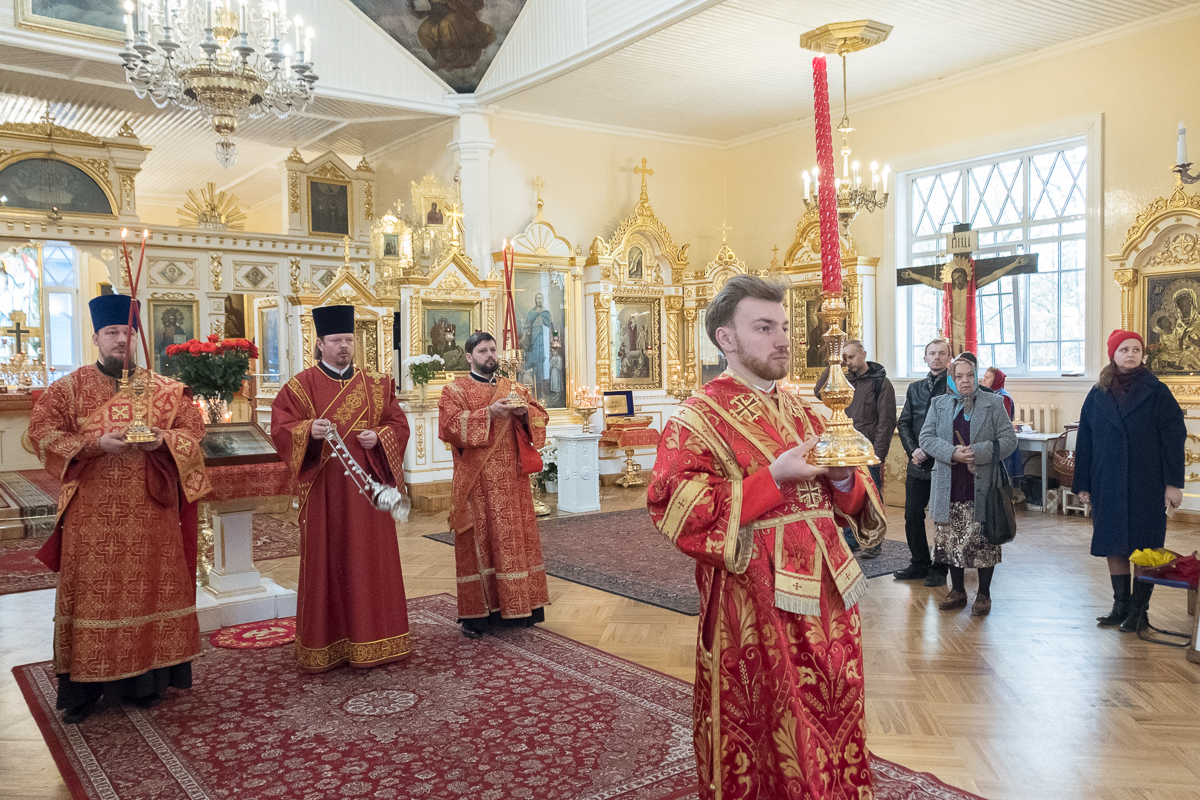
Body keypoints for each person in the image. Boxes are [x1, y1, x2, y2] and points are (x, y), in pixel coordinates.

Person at [648, 275, 887, 800]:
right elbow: (675, 504)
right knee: (775, 722)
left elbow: (847, 499)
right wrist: (772, 479)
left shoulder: (806, 407)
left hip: (830, 597)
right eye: (763, 327)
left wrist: (843, 477)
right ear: (724, 339)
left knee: (836, 704)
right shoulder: (697, 417)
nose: (783, 339)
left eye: (783, 326)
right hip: (755, 606)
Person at [29, 294, 211, 724]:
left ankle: (146, 684)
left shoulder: (163, 389)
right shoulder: (69, 388)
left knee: (150, 592)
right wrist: (93, 445)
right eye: (111, 333)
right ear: (95, 338)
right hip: (92, 515)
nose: (120, 340)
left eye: (128, 333)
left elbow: (193, 429)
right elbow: (40, 433)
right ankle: (84, 692)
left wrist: (162, 441)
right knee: (94, 597)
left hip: (152, 511)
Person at [270, 305, 411, 672]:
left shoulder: (378, 385)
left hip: (369, 492)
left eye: (348, 340)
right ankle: (327, 644)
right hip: (325, 492)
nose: (344, 346)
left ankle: (378, 638)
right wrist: (307, 432)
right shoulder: (300, 386)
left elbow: (398, 425)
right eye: (336, 340)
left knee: (371, 561)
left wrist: (379, 437)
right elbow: (281, 430)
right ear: (319, 344)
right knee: (327, 561)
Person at [438, 331, 550, 638]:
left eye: (492, 349)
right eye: (483, 350)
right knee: (480, 545)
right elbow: (449, 427)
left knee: (515, 544)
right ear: (469, 356)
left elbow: (541, 418)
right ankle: (479, 617)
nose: (490, 355)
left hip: (513, 482)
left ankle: (519, 611)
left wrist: (525, 412)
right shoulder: (455, 390)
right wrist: (489, 413)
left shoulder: (513, 387)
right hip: (478, 483)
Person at [1073, 330, 1186, 633]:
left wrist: (1173, 483)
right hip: (1106, 480)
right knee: (1114, 543)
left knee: (1144, 545)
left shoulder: (1157, 391)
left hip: (1146, 482)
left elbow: (1174, 439)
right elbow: (1085, 440)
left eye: (1136, 349)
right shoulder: (1097, 393)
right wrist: (1082, 483)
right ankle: (1120, 604)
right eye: (1124, 349)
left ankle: (1140, 610)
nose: (1131, 354)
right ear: (1113, 354)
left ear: (1142, 356)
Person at [919, 357, 1018, 617]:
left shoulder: (993, 403)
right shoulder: (939, 404)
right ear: (952, 379)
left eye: (970, 376)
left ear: (976, 377)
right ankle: (958, 590)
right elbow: (926, 438)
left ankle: (983, 594)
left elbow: (1009, 440)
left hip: (982, 485)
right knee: (952, 540)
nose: (965, 381)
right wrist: (953, 452)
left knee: (983, 541)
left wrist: (979, 452)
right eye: (959, 376)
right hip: (949, 484)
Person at [814, 338, 897, 558]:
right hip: (845, 450)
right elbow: (818, 391)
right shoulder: (843, 380)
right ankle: (852, 540)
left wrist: (878, 455)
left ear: (863, 354)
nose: (848, 362)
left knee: (871, 498)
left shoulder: (881, 384)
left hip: (868, 451)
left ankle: (874, 541)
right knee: (849, 495)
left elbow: (886, 422)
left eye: (850, 357)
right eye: (844, 358)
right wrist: (834, 365)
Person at [895, 338, 953, 586]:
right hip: (918, 463)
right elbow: (904, 422)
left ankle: (941, 568)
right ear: (925, 357)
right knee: (912, 515)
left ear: (949, 358)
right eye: (932, 353)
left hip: (943, 463)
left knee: (943, 518)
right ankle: (919, 563)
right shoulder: (915, 388)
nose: (937, 357)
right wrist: (913, 450)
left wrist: (936, 449)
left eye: (942, 353)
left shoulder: (954, 387)